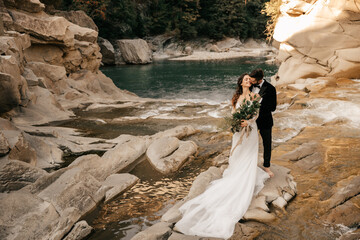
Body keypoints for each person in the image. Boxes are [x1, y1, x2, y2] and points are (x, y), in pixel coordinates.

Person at [174, 73, 269, 239]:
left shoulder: (255, 96)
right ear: (241, 82)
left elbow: (257, 114)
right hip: (238, 132)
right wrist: (236, 122)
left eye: (249, 79)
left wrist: (249, 122)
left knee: (249, 155)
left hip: (250, 130)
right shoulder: (236, 97)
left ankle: (246, 177)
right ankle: (237, 177)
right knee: (237, 155)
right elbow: (233, 114)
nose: (248, 80)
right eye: (245, 79)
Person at [249, 69, 277, 178]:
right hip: (251, 121)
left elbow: (273, 107)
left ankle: (266, 166)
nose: (251, 82)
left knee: (267, 144)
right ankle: (250, 165)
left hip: (265, 120)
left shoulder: (271, 88)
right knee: (250, 142)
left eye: (253, 80)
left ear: (259, 79)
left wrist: (258, 103)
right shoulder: (250, 86)